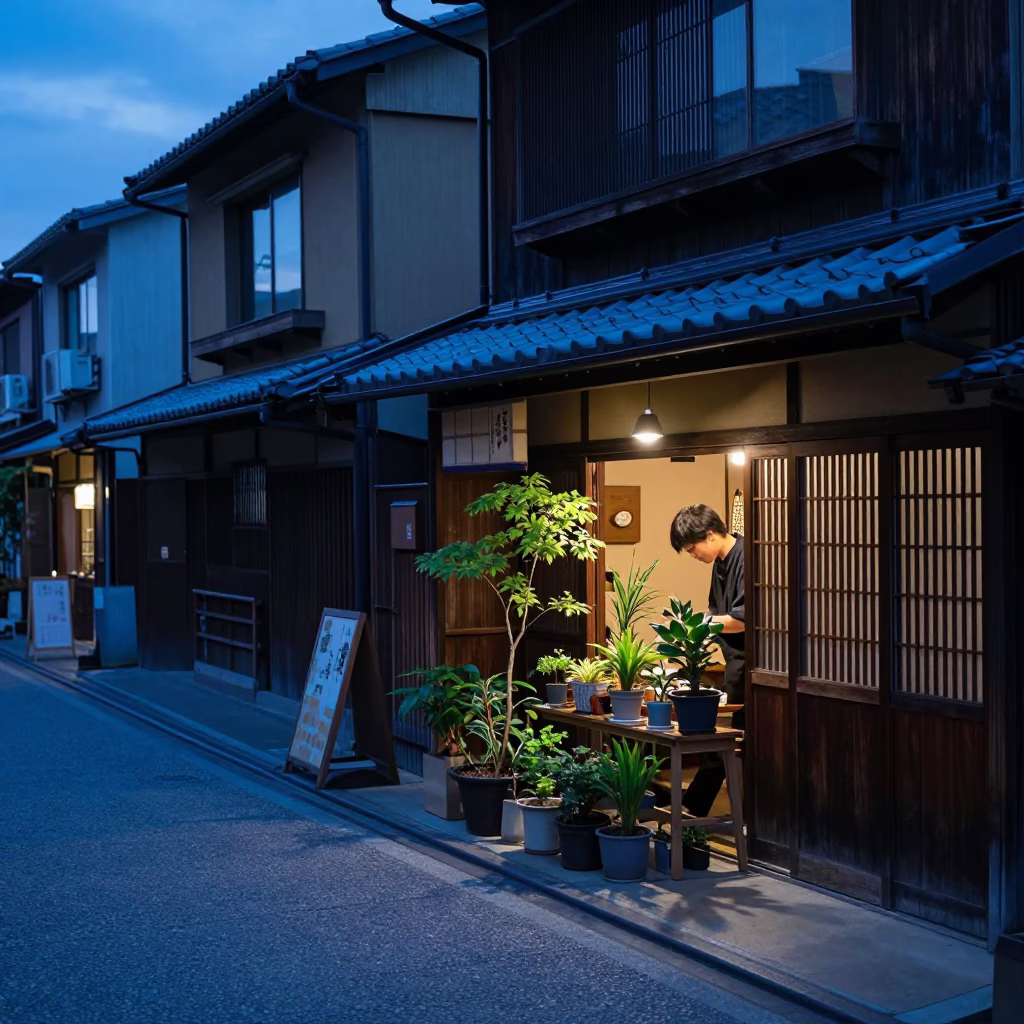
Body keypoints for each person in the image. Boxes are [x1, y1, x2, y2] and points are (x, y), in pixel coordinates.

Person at [669, 504, 745, 818]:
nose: (693, 555)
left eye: (692, 548)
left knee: (731, 737)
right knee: (727, 736)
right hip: (734, 660)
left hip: (755, 664)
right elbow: (715, 613)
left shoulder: (746, 556)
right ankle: (695, 807)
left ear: (710, 534)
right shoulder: (720, 561)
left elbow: (742, 620)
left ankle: (695, 808)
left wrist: (698, 625)